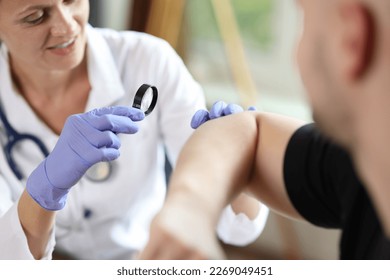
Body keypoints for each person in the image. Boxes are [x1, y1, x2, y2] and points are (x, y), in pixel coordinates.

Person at [0, 0, 269, 260]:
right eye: (35, 17)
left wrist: (233, 161)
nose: (67, 26)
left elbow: (237, 228)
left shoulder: (150, 61)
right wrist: (44, 191)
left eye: (72, 0)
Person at [139, 0, 390, 260]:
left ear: (350, 39)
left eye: (303, 16)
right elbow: (246, 130)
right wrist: (189, 211)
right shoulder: (363, 160)